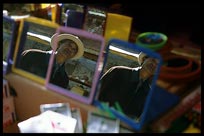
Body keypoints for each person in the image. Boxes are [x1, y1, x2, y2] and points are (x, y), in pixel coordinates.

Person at [19, 33, 84, 89]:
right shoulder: (32, 55)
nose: (70, 49)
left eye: (73, 49)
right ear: (59, 44)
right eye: (69, 45)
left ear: (73, 55)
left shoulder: (64, 79)